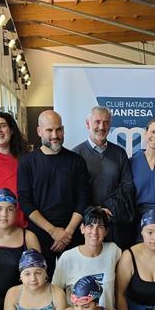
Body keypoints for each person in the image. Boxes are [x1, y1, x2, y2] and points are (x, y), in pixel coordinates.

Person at [17, 110, 90, 277]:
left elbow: (83, 199)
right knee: (43, 286)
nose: (54, 135)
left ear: (63, 130)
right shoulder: (27, 162)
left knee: (76, 286)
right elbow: (25, 202)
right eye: (49, 130)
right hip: (40, 237)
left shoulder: (76, 161)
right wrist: (52, 231)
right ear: (39, 131)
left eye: (58, 130)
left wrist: (68, 232)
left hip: (73, 236)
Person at [73, 106, 137, 249]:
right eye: (97, 122)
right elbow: (73, 193)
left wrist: (108, 209)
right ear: (87, 123)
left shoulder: (120, 153)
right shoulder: (76, 155)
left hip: (115, 223)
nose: (102, 127)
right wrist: (96, 211)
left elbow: (128, 187)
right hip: (88, 226)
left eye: (106, 122)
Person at [52, 206, 121, 309]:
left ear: (106, 231)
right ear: (82, 228)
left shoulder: (113, 250)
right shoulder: (68, 257)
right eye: (90, 226)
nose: (94, 232)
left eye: (100, 227)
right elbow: (55, 293)